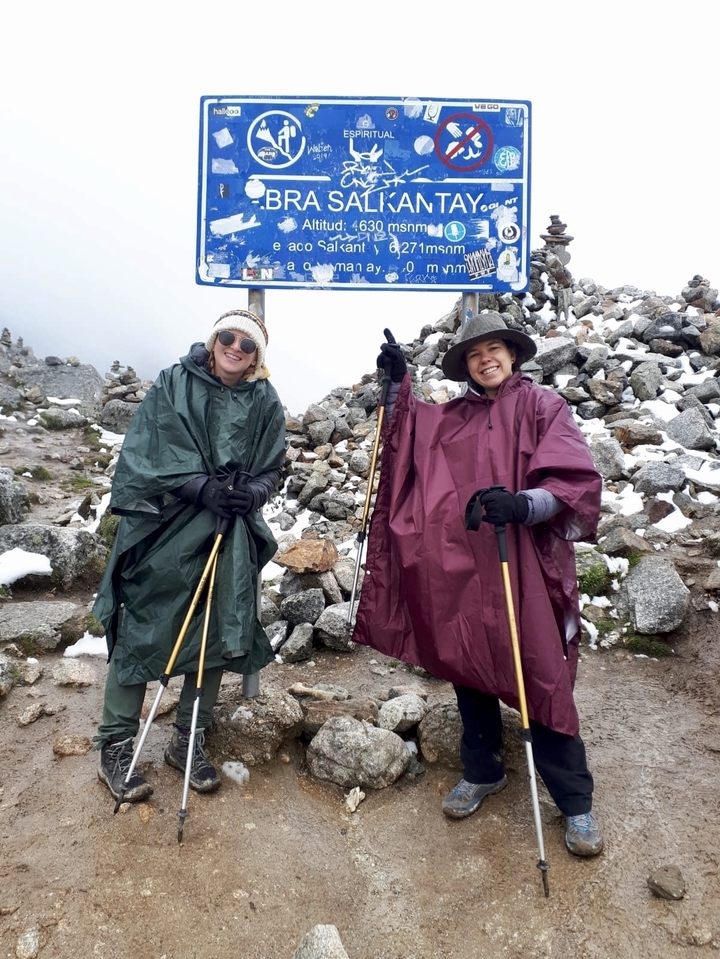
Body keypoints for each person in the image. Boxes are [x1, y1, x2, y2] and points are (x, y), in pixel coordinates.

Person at [353, 314, 604, 857]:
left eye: (494, 349)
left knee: (540, 676)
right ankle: (483, 769)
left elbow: (573, 480)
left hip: (523, 564)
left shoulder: (542, 407)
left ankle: (576, 803)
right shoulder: (452, 418)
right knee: (469, 668)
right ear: (465, 365)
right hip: (466, 570)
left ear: (512, 356)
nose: (486, 359)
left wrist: (523, 504)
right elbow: (404, 442)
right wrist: (397, 386)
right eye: (474, 354)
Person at [93, 309, 286, 804]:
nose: (235, 348)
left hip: (228, 531)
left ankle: (188, 739)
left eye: (248, 344)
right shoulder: (174, 382)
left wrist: (254, 494)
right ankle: (115, 745)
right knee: (143, 623)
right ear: (213, 337)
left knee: (213, 631)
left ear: (257, 357)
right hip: (166, 525)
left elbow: (272, 466)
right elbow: (145, 452)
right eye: (228, 336)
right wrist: (201, 487)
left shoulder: (264, 399)